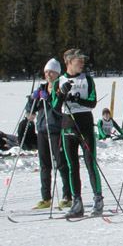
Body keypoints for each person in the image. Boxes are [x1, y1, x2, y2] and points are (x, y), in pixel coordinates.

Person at [55, 48, 102, 218]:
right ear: (68, 62)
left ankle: (98, 198)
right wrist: (62, 94)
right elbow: (55, 107)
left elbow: (92, 102)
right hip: (68, 125)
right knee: (72, 166)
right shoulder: (59, 81)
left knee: (90, 163)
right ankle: (77, 201)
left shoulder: (87, 79)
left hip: (85, 125)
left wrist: (76, 99)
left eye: (83, 60)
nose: (82, 63)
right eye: (78, 60)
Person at [28, 58, 72, 209]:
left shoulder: (60, 88)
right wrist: (32, 100)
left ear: (57, 73)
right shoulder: (41, 88)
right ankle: (46, 198)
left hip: (56, 129)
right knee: (44, 165)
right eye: (46, 72)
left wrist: (51, 99)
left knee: (61, 163)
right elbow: (31, 111)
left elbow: (59, 108)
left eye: (51, 72)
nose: (48, 74)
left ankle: (67, 196)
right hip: (41, 129)